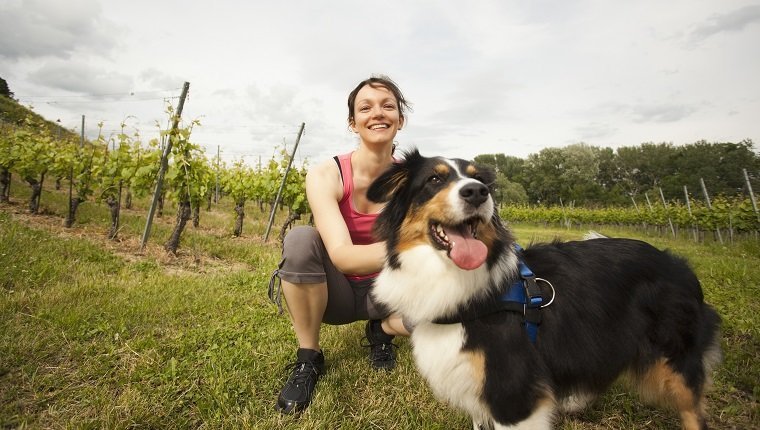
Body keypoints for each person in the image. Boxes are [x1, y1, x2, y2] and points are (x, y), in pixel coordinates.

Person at [269, 75, 413, 414]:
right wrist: (414, 250)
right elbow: (343, 257)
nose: (378, 113)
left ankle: (382, 330)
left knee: (449, 308)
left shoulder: (413, 180)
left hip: (389, 292)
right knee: (301, 239)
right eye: (366, 108)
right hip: (336, 294)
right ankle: (309, 358)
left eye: (387, 106)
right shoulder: (326, 174)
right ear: (353, 123)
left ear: (400, 120)